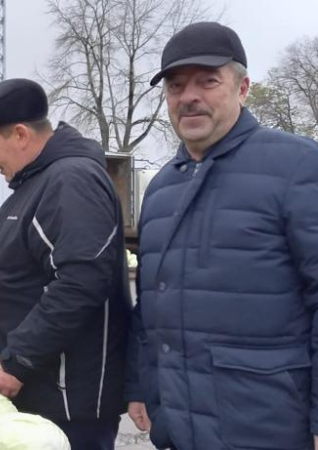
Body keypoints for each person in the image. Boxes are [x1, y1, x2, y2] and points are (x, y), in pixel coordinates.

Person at [125, 21, 318, 449]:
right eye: (175, 86)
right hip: (179, 426)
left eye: (207, 81)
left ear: (242, 87)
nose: (188, 96)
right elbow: (152, 303)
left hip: (269, 428)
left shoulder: (299, 168)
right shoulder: (160, 190)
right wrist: (138, 382)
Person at [0, 78, 131, 449]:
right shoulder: (35, 182)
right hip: (40, 390)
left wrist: (18, 359)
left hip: (68, 400)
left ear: (20, 134)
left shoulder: (71, 181)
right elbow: (22, 275)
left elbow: (79, 282)